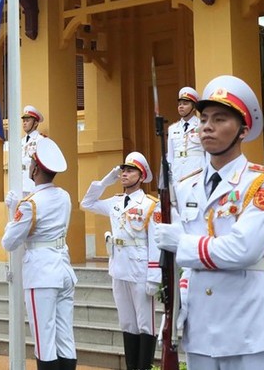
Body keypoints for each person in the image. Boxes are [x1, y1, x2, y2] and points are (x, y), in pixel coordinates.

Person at [154, 75, 264, 369]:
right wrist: (172, 303)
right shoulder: (185, 186)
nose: (207, 126)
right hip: (201, 326)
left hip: (249, 328)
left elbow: (244, 249)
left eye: (219, 119)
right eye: (204, 118)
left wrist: (182, 243)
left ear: (242, 130)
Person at [2, 137, 78, 370]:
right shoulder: (64, 196)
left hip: (42, 273)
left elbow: (9, 241)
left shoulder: (30, 204)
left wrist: (13, 210)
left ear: (35, 170)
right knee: (65, 339)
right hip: (63, 269)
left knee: (44, 341)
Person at [80, 152, 161, 370]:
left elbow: (155, 242)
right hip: (118, 268)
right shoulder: (115, 202)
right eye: (123, 170)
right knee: (127, 322)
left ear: (141, 175)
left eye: (130, 170)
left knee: (145, 324)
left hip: (140, 269)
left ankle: (144, 367)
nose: (125, 174)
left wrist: (155, 276)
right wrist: (107, 180)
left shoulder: (150, 205)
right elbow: (86, 203)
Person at [167, 87, 204, 185]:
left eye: (185, 103)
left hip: (197, 173)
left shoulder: (202, 125)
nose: (181, 106)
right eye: (179, 104)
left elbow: (208, 153)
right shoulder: (172, 129)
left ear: (194, 107)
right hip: (178, 174)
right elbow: (170, 157)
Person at [21, 105, 45, 194]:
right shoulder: (21, 141)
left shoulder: (40, 140)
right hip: (20, 184)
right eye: (23, 121)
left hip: (32, 184)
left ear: (35, 123)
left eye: (27, 121)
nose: (24, 123)